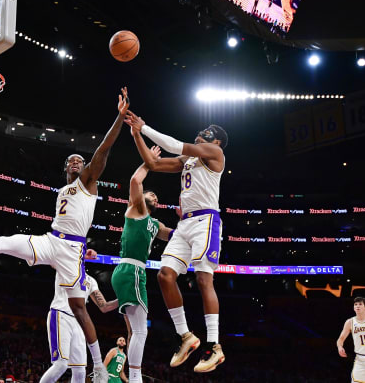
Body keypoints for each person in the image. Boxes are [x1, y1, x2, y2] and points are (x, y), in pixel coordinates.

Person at [0, 88, 131, 383]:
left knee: (80, 309)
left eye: (79, 160)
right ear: (64, 169)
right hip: (52, 240)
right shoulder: (63, 191)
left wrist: (119, 119)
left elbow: (103, 152)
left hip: (71, 250)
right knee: (7, 242)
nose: (75, 162)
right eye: (70, 160)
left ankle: (98, 366)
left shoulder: (88, 183)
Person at [125, 112, 227, 373]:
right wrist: (137, 135)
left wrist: (144, 126)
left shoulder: (215, 155)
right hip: (185, 224)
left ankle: (214, 346)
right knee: (165, 275)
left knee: (204, 279)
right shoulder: (189, 160)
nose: (202, 132)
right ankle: (186, 336)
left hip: (206, 220)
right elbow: (152, 163)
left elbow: (173, 144)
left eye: (208, 132)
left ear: (216, 142)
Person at [110, 139, 173, 383]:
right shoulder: (136, 209)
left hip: (134, 273)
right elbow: (135, 181)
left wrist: (189, 222)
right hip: (130, 270)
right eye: (151, 193)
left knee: (139, 331)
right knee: (139, 331)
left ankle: (135, 377)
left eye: (156, 197)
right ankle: (135, 378)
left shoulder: (155, 224)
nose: (154, 196)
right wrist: (150, 162)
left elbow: (172, 235)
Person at [40, 274, 118, 383]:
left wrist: (124, 298)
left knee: (80, 371)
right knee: (61, 365)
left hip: (79, 322)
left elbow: (104, 306)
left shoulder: (91, 280)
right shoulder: (64, 264)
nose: (94, 255)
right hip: (61, 314)